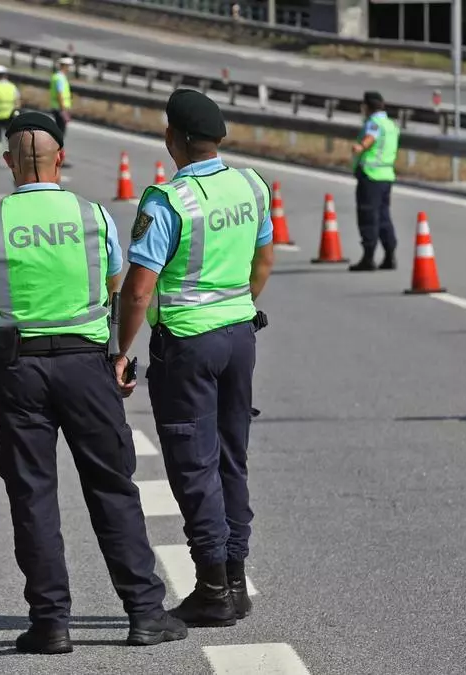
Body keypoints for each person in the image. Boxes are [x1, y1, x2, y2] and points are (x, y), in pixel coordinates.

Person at [0, 111, 187, 654]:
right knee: (112, 486)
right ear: (60, 158)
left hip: (18, 368)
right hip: (86, 365)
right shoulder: (93, 215)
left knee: (32, 494)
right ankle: (144, 613)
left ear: (8, 162)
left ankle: (50, 624)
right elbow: (113, 284)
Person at [114, 89, 275, 628]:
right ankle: (235, 579)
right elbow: (264, 260)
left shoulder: (168, 201)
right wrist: (237, 306)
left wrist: (121, 351)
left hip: (187, 344)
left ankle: (211, 588)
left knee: (194, 464)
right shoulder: (251, 184)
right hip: (240, 335)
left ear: (172, 139)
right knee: (232, 457)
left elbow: (139, 289)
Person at [350, 90, 399, 271]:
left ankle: (368, 257)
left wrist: (360, 146)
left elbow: (371, 137)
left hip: (371, 175)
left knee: (368, 216)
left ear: (366, 107)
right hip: (387, 175)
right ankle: (389, 255)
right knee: (384, 216)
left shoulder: (374, 123)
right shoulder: (391, 124)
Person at [0, 64, 21, 168]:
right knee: (11, 138)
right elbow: (18, 102)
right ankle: (14, 157)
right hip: (10, 116)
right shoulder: (12, 87)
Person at [49, 57, 73, 167]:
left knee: (59, 134)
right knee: (60, 134)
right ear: (64, 66)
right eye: (68, 66)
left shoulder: (57, 77)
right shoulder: (60, 78)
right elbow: (59, 94)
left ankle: (56, 157)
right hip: (60, 108)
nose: (69, 69)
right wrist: (63, 109)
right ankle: (58, 158)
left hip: (57, 108)